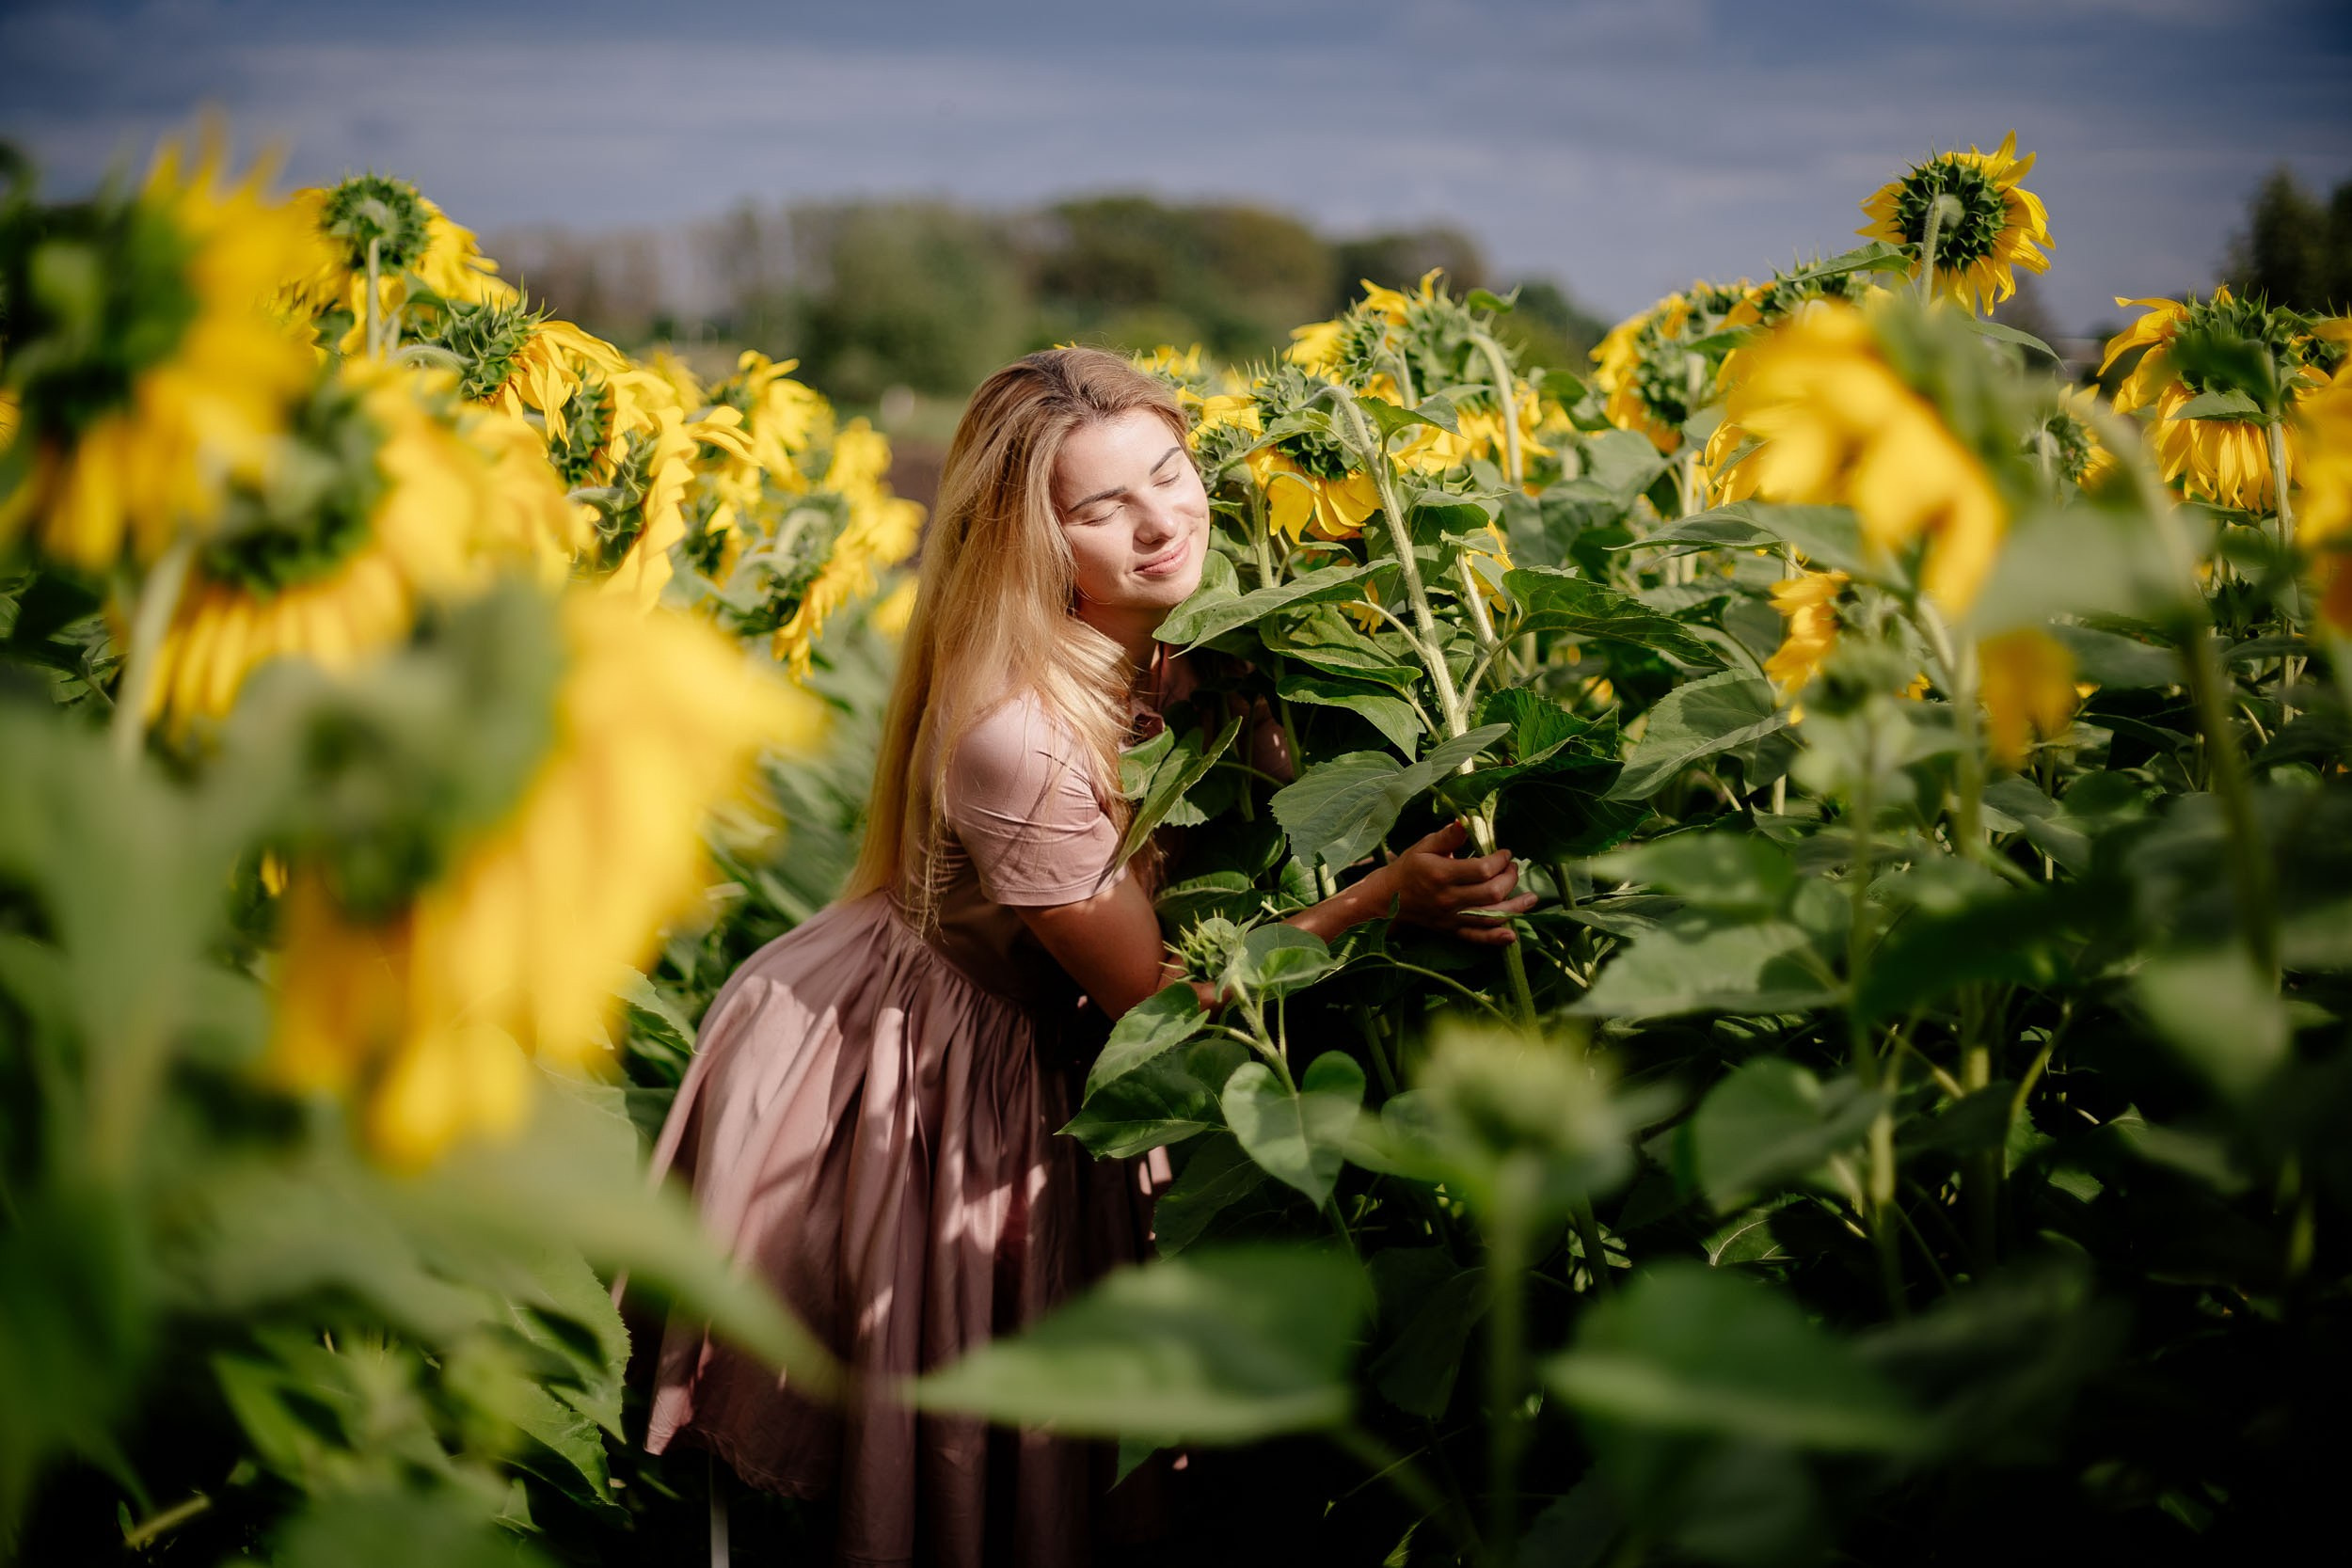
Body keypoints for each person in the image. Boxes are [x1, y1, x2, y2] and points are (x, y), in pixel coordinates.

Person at [636, 346, 1538, 1567]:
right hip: (946, 1062)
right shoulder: (1017, 732)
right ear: (1033, 541)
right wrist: (1385, 902)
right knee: (979, 1414)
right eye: (1101, 508)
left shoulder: (1199, 629)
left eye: (1171, 473)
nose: (1161, 522)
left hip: (1058, 1034)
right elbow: (1159, 997)